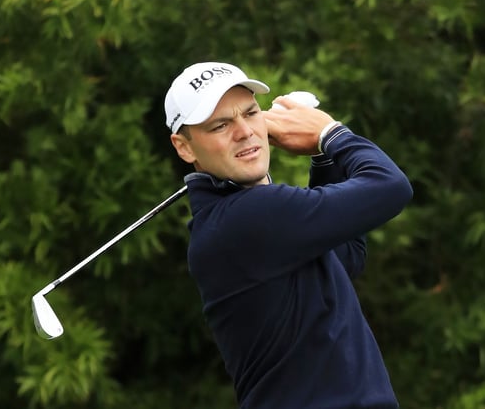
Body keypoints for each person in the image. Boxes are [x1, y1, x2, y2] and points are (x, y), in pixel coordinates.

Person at [164, 61, 413, 409]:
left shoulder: (243, 219)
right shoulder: (247, 217)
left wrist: (322, 157)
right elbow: (391, 187)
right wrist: (331, 133)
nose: (244, 131)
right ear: (185, 147)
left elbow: (345, 257)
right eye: (220, 125)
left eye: (250, 114)